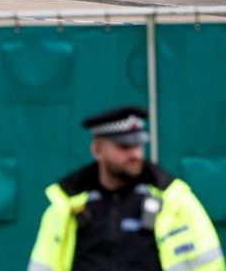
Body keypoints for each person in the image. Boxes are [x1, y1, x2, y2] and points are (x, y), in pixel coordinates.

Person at [29, 106, 224, 271]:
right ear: (97, 150)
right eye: (124, 147)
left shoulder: (174, 201)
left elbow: (208, 265)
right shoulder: (66, 204)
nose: (136, 154)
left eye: (138, 145)